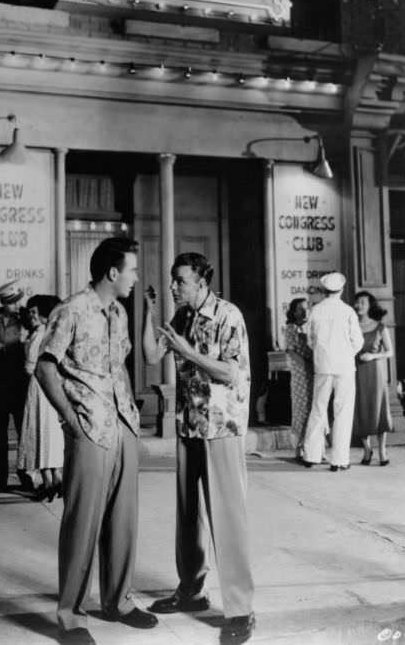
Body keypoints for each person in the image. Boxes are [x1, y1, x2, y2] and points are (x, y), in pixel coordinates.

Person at [36, 237, 157, 645]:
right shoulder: (70, 310)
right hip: (87, 425)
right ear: (112, 272)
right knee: (82, 521)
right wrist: (70, 419)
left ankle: (117, 601)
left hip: (121, 423)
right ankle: (71, 616)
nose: (136, 277)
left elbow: (119, 364)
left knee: (123, 518)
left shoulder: (120, 312)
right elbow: (45, 367)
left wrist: (131, 414)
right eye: (133, 270)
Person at [143, 253, 255, 645]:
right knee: (189, 514)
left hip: (221, 428)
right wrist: (149, 309)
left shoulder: (228, 315)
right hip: (190, 424)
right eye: (173, 281)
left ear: (201, 282)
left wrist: (188, 352)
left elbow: (230, 371)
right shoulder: (183, 316)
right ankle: (191, 591)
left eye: (180, 281)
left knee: (227, 518)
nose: (174, 286)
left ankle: (241, 609)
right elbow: (152, 355)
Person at [302, 272, 364, 471]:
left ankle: (311, 455)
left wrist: (323, 353)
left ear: (324, 290)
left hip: (322, 366)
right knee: (343, 412)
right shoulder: (348, 312)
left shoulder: (315, 311)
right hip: (345, 367)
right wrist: (346, 353)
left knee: (318, 409)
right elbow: (358, 342)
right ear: (342, 289)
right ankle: (339, 460)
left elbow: (310, 341)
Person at [16, 293, 64, 501]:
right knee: (46, 432)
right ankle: (52, 479)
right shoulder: (44, 332)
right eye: (30, 312)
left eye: (35, 312)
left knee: (43, 431)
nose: (31, 315)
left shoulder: (42, 334)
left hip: (40, 385)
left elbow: (30, 365)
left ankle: (51, 480)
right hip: (45, 385)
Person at [0, 280, 28, 492]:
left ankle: (26, 476)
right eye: (11, 302)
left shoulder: (26, 318)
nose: (15, 306)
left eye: (16, 301)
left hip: (20, 383)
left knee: (25, 432)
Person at [353, 291, 394, 466]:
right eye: (357, 302)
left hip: (376, 372)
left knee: (379, 408)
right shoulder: (351, 325)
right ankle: (366, 449)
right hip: (356, 371)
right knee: (361, 407)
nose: (359, 305)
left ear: (370, 305)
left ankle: (382, 450)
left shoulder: (380, 327)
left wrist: (373, 356)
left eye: (363, 302)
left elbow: (390, 352)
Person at [284, 297, 314, 461]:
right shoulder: (291, 328)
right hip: (301, 375)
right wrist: (307, 366)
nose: (304, 312)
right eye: (300, 309)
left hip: (316, 373)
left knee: (314, 409)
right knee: (301, 409)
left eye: (306, 308)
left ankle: (314, 447)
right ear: (294, 312)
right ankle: (299, 448)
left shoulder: (312, 327)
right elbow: (291, 351)